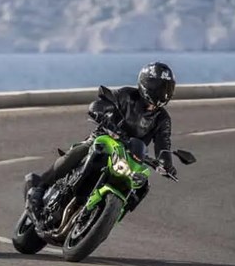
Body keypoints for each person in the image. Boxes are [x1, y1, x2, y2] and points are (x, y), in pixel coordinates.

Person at [26, 62, 177, 220]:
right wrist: (99, 112)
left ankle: (110, 217)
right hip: (105, 138)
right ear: (148, 84)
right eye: (161, 87)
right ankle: (40, 189)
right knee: (82, 149)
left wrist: (166, 164)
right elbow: (100, 105)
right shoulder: (127, 95)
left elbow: (163, 144)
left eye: (168, 88)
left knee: (142, 186)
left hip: (129, 156)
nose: (164, 93)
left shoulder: (163, 119)